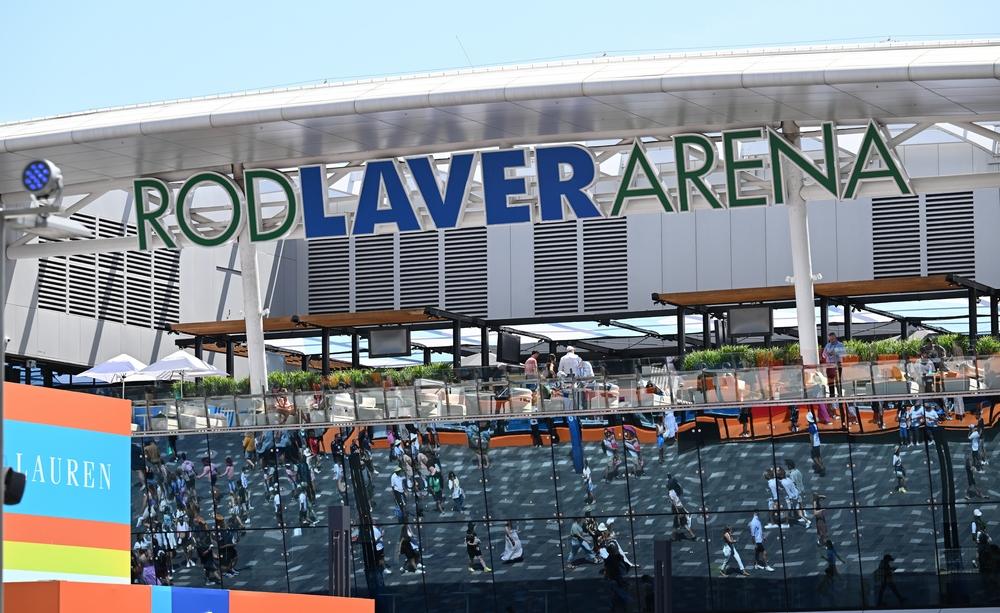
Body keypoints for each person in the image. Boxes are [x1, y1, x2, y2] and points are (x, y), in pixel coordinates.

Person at [601, 542, 632, 612]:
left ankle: (615, 607)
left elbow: (608, 569)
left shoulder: (609, 560)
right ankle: (622, 607)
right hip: (619, 577)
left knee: (615, 594)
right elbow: (626, 566)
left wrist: (606, 576)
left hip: (615, 578)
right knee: (620, 593)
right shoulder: (619, 557)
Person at [822, 333, 847, 397]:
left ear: (835, 337)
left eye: (832, 339)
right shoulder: (828, 345)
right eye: (830, 339)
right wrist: (826, 354)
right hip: (829, 365)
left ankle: (840, 396)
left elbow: (844, 354)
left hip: (837, 365)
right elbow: (823, 355)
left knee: (838, 382)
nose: (831, 341)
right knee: (830, 383)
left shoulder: (840, 345)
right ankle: (832, 396)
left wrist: (835, 352)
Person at [807, 411, 826, 476]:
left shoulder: (811, 427)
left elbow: (811, 437)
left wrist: (811, 445)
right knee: (818, 456)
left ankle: (821, 467)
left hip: (814, 444)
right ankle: (821, 465)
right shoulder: (815, 425)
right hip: (818, 443)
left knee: (814, 457)